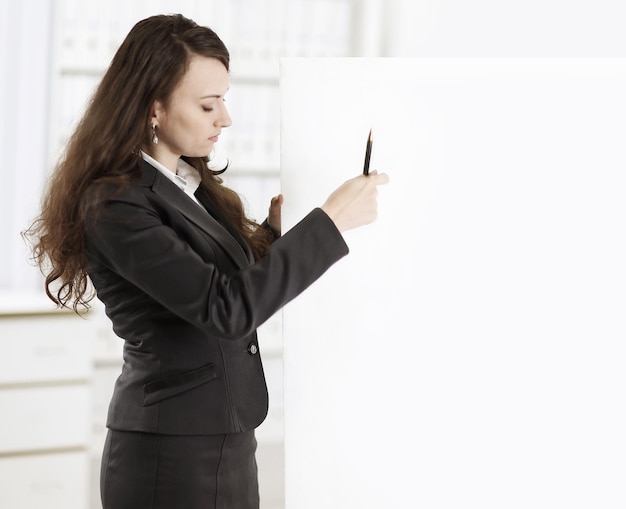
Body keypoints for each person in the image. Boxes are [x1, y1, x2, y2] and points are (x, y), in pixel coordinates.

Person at [26, 13, 388, 509]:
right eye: (207, 104)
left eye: (225, 100)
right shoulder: (113, 202)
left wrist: (272, 234)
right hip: (170, 456)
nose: (225, 118)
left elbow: (212, 275)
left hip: (225, 436)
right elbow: (225, 307)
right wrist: (330, 223)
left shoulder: (186, 183)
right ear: (153, 107)